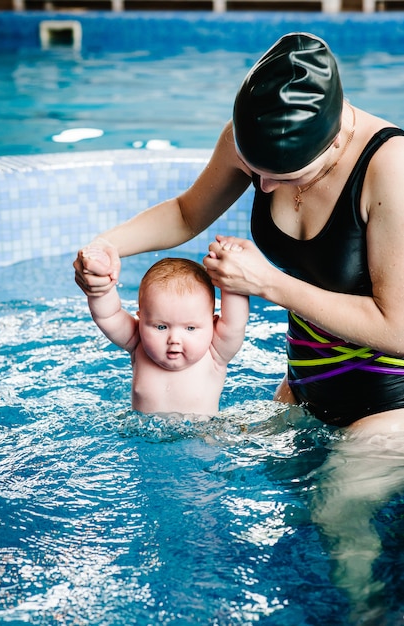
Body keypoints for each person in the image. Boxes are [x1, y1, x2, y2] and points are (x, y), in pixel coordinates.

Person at [74, 31, 404, 434]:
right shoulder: (251, 134)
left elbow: (398, 329)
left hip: (391, 405)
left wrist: (268, 283)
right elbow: (185, 213)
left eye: (283, 177)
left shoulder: (390, 169)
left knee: (327, 498)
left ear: (334, 143)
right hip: (305, 388)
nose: (261, 188)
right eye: (254, 171)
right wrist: (105, 247)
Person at [77, 248, 249, 415]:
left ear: (213, 325)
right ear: (141, 321)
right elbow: (108, 316)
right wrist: (101, 289)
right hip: (142, 441)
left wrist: (231, 277)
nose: (174, 339)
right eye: (161, 327)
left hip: (201, 440)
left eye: (190, 328)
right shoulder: (137, 342)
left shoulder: (215, 353)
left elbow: (235, 322)